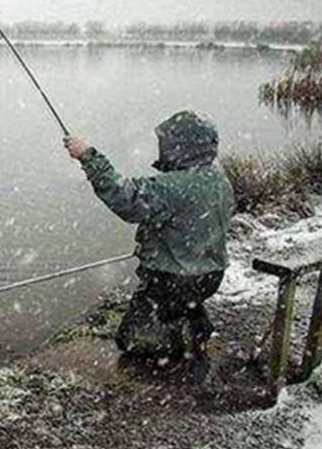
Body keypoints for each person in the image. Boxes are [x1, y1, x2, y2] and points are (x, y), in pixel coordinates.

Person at [63, 110, 234, 380]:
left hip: (171, 281)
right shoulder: (219, 180)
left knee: (130, 341)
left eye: (167, 143)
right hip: (211, 277)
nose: (162, 148)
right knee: (184, 300)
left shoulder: (171, 187)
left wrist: (88, 156)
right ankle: (193, 322)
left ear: (182, 147)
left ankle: (180, 344)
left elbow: (124, 198)